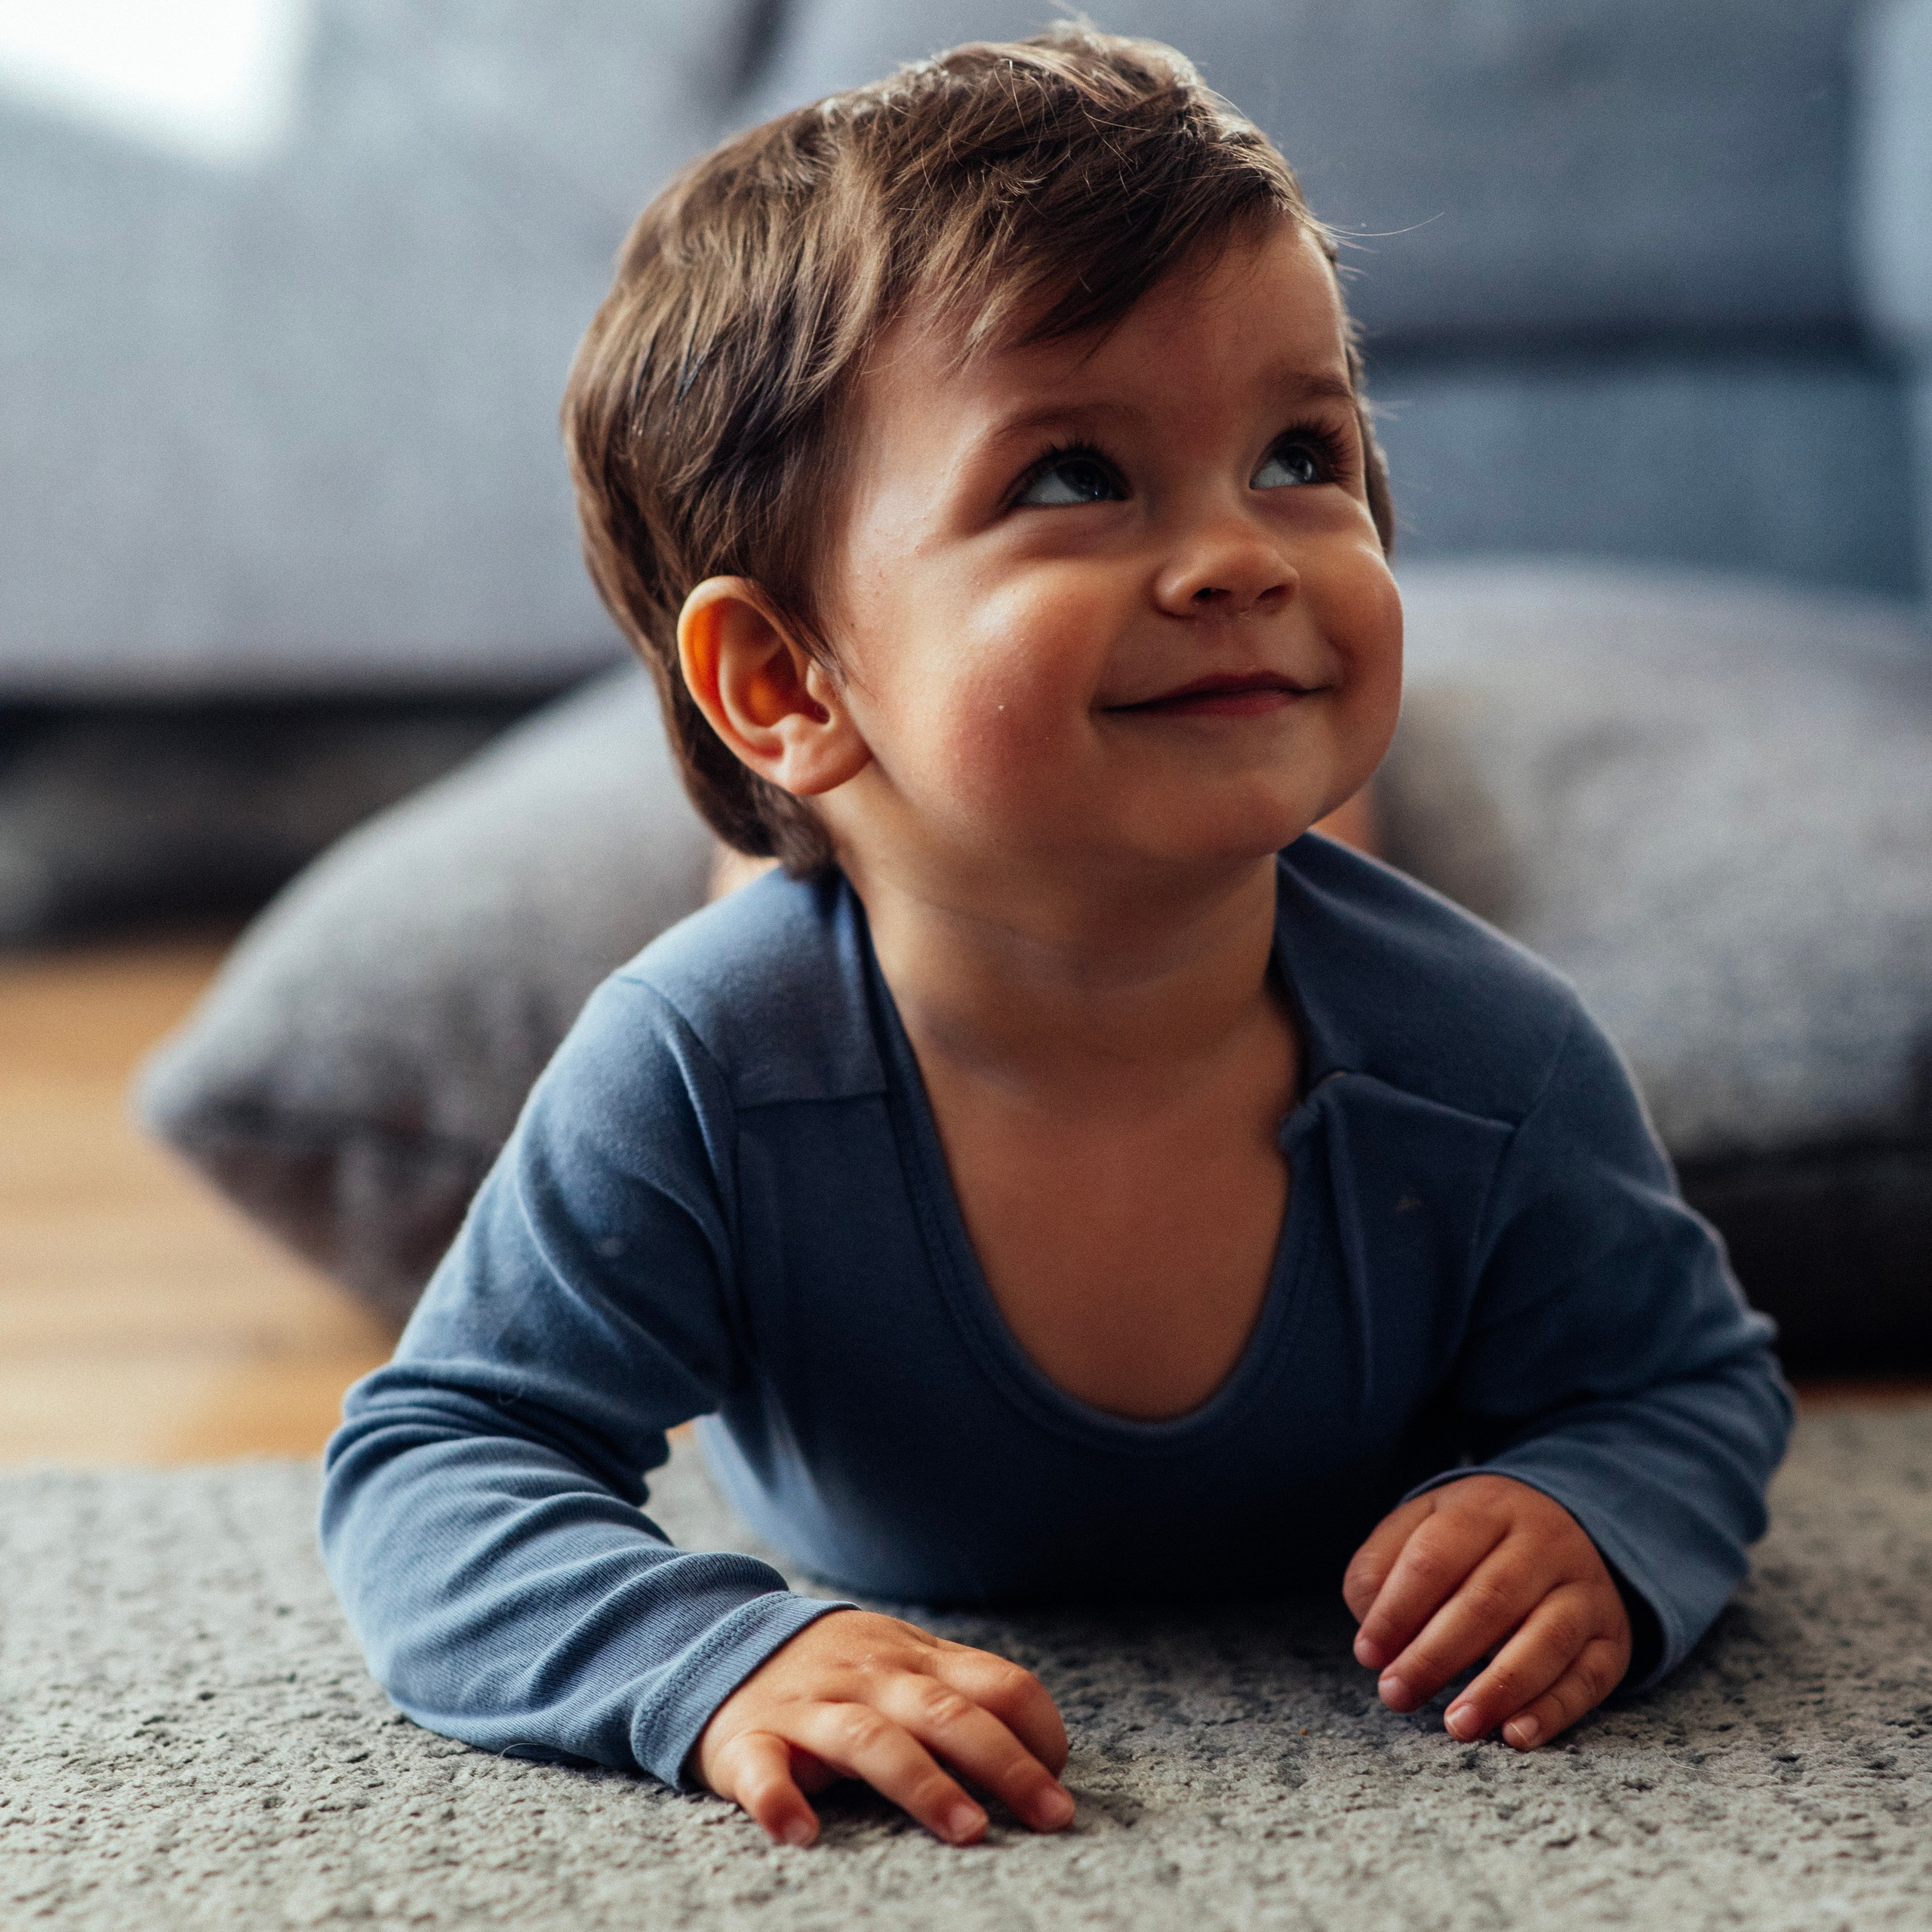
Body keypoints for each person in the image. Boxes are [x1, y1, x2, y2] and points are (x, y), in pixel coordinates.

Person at [320, 29, 1792, 1852]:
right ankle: (829, 843)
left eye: (1297, 453)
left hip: (1299, 939)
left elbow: (1677, 1376)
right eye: (1073, 474)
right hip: (834, 945)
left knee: (1315, 859)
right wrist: (703, 1656)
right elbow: (440, 1457)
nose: (1240, 552)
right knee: (807, 924)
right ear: (780, 675)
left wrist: (1593, 1509)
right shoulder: (702, 1069)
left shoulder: (1483, 1053)